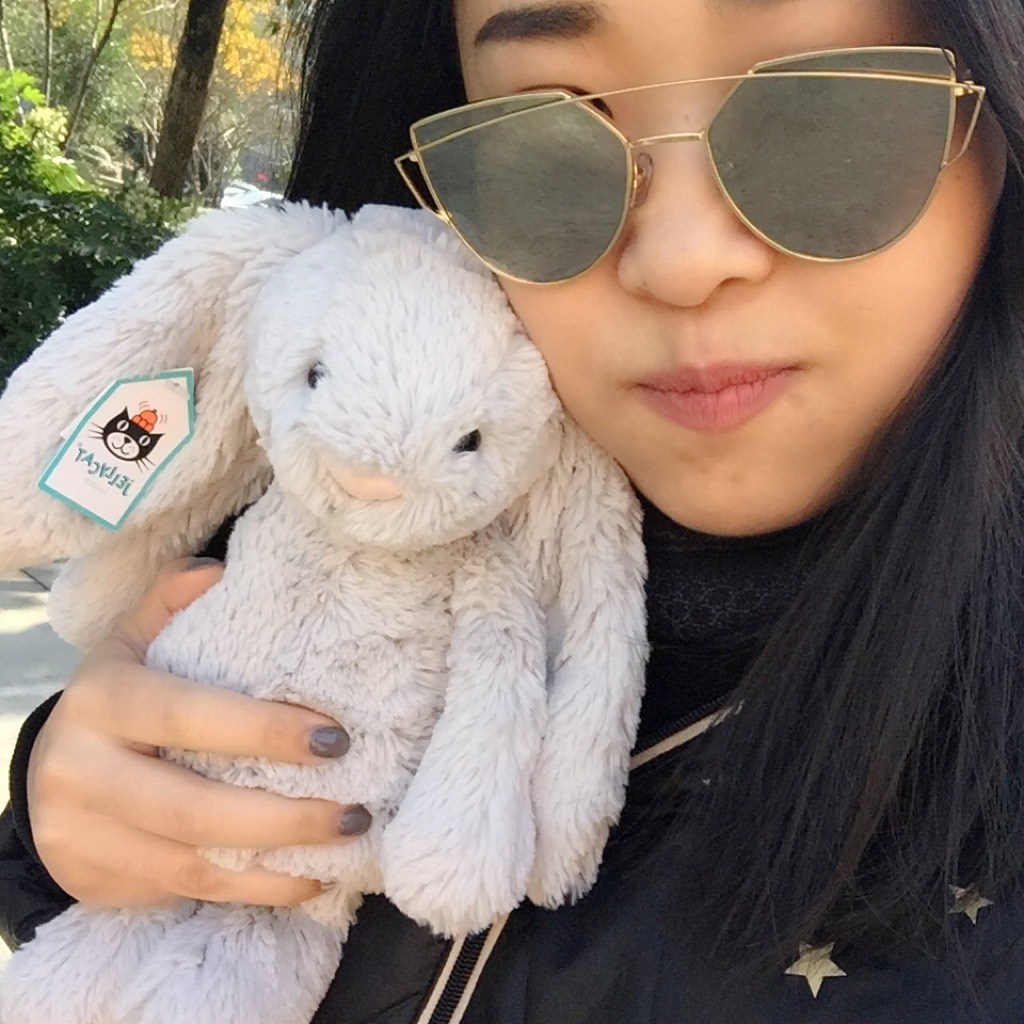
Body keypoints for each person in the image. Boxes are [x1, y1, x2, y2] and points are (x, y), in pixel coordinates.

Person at [2, 0, 1023, 1020]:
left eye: (821, 114)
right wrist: (90, 818)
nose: (678, 259)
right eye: (545, 140)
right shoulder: (357, 481)